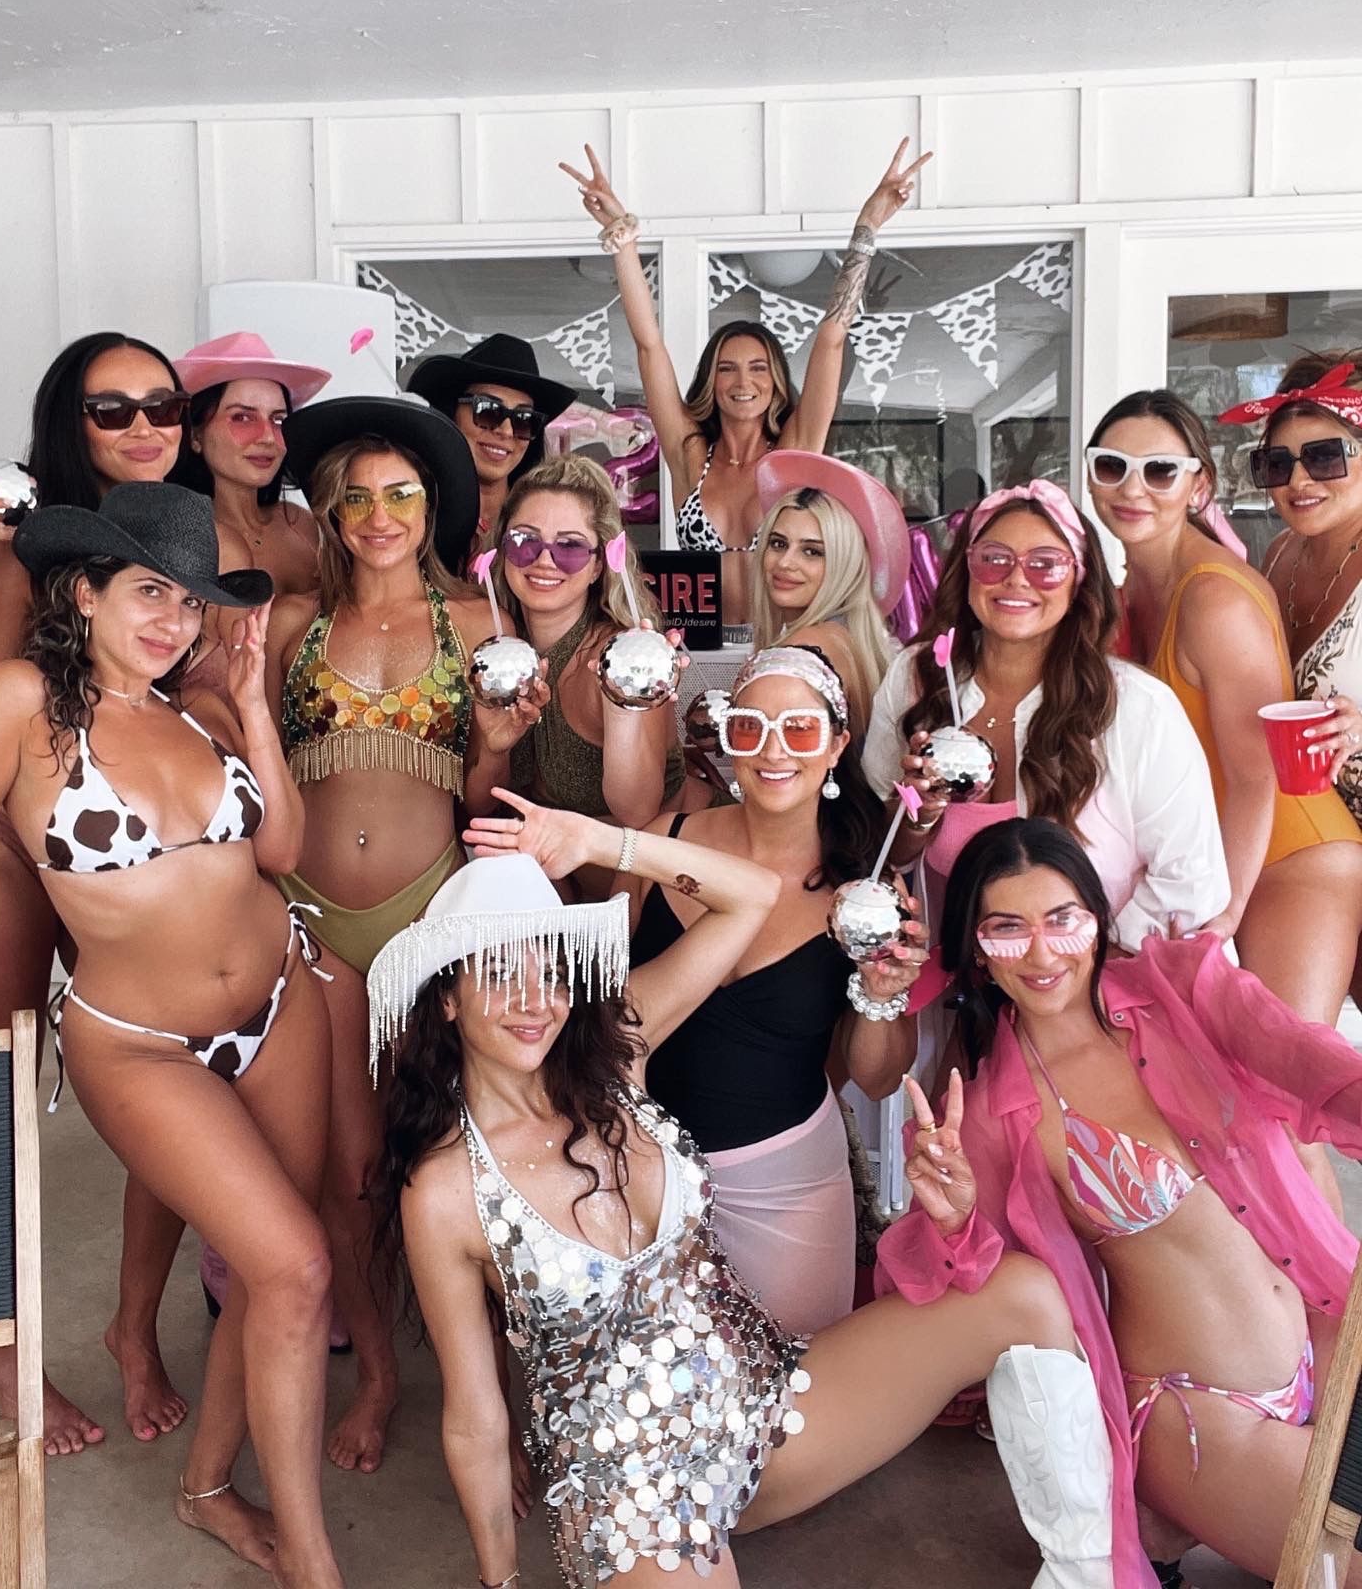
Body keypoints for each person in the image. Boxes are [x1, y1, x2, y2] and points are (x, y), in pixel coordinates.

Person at [368, 837, 1114, 1589]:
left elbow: (751, 896)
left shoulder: (614, 1056)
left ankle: (1092, 1578)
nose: (536, 1000)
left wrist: (601, 842)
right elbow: (474, 1417)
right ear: (447, 993)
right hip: (635, 1490)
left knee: (1023, 1294)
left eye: (553, 970)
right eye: (500, 973)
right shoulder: (443, 1189)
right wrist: (500, 1582)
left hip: (766, 1404)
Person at [0, 481, 344, 1587]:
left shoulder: (196, 704)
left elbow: (282, 851)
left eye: (194, 601)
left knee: (273, 1274)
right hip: (142, 1044)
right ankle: (312, 1559)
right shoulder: (22, 703)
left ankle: (209, 1487)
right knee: (295, 1264)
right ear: (84, 591)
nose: (176, 621)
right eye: (151, 592)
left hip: (280, 1003)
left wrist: (251, 704)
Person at [878, 816, 1362, 1588]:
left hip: (1326, 1328)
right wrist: (955, 1216)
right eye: (1008, 929)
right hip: (1197, 1413)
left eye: (1062, 919)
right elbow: (971, 1284)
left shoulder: (1182, 987)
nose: (1041, 953)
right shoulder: (990, 1110)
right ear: (975, 947)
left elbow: (1303, 1057)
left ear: (1097, 918)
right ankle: (1169, 1511)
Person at [0, 331, 194, 1455]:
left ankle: (133, 1329)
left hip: (117, 847)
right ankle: (3, 1359)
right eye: (110, 409)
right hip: (1, 846)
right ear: (66, 425)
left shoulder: (178, 544)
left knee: (172, 1072)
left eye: (161, 405)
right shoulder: (19, 544)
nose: (142, 428)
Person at [264, 393, 526, 1474]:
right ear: (331, 510)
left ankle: (501, 1400)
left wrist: (501, 742)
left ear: (432, 506)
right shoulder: (290, 622)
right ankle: (376, 1375)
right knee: (350, 1170)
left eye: (402, 495)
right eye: (359, 497)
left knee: (469, 1158)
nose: (380, 516)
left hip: (434, 912)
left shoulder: (476, 622)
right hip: (313, 921)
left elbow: (483, 790)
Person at [625, 645, 917, 1332]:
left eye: (801, 730)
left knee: (789, 1409)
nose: (772, 750)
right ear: (728, 738)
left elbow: (876, 1080)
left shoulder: (867, 889)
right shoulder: (664, 844)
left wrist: (881, 992)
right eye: (750, 727)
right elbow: (606, 1017)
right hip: (646, 1178)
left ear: (836, 745)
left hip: (787, 1188)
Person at [1087, 393, 1362, 1058]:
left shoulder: (1213, 597)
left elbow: (1254, 770)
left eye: (1159, 470)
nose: (1133, 488)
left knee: (1282, 1102)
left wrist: (1226, 916)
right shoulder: (1131, 594)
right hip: (1218, 857)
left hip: (1289, 854)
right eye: (1111, 466)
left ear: (1197, 484)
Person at [560, 139, 931, 631]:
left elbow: (832, 339)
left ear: (776, 383)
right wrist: (621, 239)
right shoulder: (689, 453)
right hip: (699, 652)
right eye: (727, 368)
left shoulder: (795, 454)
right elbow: (649, 346)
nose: (743, 381)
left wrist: (867, 228)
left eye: (758, 368)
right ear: (711, 382)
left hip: (780, 646)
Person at [862, 479, 1229, 947]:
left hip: (1106, 992)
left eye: (1046, 565)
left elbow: (1192, 885)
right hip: (959, 989)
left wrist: (1075, 972)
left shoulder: (1136, 706)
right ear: (967, 569)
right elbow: (883, 853)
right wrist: (918, 814)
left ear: (1079, 581)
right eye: (994, 558)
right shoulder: (918, 679)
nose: (1016, 579)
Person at [489, 453, 685, 896]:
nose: (544, 559)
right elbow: (480, 803)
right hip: (553, 896)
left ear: (599, 564)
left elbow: (637, 812)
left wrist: (623, 709)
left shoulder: (621, 657)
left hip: (654, 893)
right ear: (501, 550)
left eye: (571, 547)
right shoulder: (494, 650)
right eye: (525, 540)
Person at [1223, 353, 1362, 819]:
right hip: (1300, 830)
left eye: (1324, 458)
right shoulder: (1281, 553)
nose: (1298, 481)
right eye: (1277, 464)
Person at [173, 331, 330, 697]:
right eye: (242, 417)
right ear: (194, 435)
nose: (267, 437)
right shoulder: (183, 540)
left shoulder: (302, 525)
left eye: (278, 420)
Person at [751, 450, 907, 726]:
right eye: (778, 544)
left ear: (845, 562)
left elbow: (772, 759)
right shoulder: (848, 636)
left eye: (812, 551)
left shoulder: (802, 652)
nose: (786, 563)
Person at [409, 333, 580, 566]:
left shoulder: (552, 522)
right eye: (488, 410)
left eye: (523, 419)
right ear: (451, 414)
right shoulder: (415, 514)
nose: (506, 431)